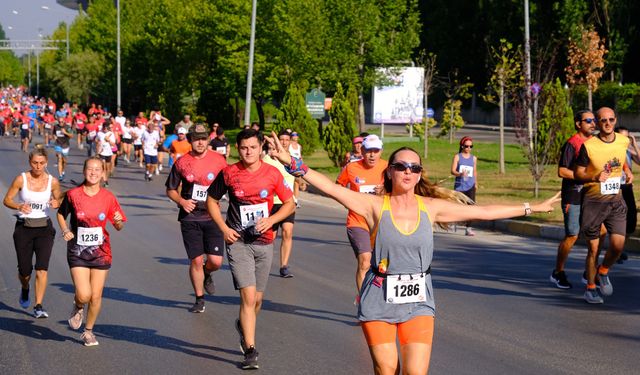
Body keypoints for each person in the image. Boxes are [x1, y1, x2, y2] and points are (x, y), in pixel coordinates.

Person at [265, 133, 560, 375]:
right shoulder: (373, 206)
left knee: (416, 373)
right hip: (379, 296)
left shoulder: (430, 207)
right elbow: (329, 187)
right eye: (402, 166)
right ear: (390, 171)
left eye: (414, 168)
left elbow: (482, 211)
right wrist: (290, 161)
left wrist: (531, 207)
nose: (408, 172)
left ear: (419, 175)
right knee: (386, 367)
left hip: (418, 300)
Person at [206, 129, 295, 369]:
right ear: (238, 148)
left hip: (264, 241)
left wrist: (272, 220)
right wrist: (224, 228)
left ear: (260, 148)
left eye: (253, 147)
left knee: (257, 300)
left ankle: (243, 325)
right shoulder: (229, 173)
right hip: (238, 242)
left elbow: (289, 203)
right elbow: (211, 201)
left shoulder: (273, 173)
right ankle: (251, 350)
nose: (248, 152)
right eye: (244, 148)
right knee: (247, 296)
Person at [57, 157, 127, 346]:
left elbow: (118, 225)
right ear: (84, 171)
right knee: (84, 294)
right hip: (78, 251)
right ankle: (78, 305)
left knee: (96, 296)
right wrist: (65, 230)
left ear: (103, 173)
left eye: (98, 169)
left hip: (101, 252)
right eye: (90, 169)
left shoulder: (108, 197)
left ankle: (88, 332)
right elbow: (61, 214)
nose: (94, 172)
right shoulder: (73, 195)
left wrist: (119, 221)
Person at [165, 124, 227, 313]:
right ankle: (199, 298)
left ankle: (207, 274)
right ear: (191, 140)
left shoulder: (219, 161)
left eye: (203, 138)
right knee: (196, 261)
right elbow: (170, 189)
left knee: (216, 261)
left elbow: (230, 183)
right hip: (190, 218)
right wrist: (182, 202)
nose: (200, 142)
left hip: (212, 216)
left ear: (208, 139)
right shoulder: (182, 162)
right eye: (196, 138)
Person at [575, 107, 632, 304]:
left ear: (615, 120)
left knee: (617, 246)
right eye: (603, 120)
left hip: (616, 200)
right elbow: (578, 173)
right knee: (593, 248)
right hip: (593, 202)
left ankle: (604, 270)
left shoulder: (623, 140)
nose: (607, 123)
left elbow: (619, 156)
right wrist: (594, 176)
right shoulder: (589, 146)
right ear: (597, 123)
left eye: (611, 120)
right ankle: (590, 288)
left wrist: (627, 170)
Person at [3, 148, 62, 318]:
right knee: (25, 271)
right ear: (30, 162)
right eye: (35, 163)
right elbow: (6, 200)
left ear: (46, 163)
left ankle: (38, 305)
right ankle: (25, 287)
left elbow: (60, 200)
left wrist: (56, 202)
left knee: (42, 269)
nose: (38, 166)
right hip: (24, 229)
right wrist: (18, 206)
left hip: (44, 229)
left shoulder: (53, 182)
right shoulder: (21, 179)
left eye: (42, 163)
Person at [336, 134, 387, 294]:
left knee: (382, 265)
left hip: (382, 223)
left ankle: (378, 298)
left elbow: (401, 192)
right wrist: (349, 201)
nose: (372, 155)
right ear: (362, 151)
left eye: (376, 151)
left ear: (381, 151)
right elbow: (338, 187)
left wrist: (386, 191)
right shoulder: (351, 168)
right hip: (358, 222)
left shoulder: (388, 168)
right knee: (365, 261)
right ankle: (363, 301)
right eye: (368, 150)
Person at [550, 110, 595, 288]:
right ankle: (558, 272)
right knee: (572, 235)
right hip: (573, 196)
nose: (593, 124)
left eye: (594, 120)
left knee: (600, 233)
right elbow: (562, 171)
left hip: (592, 196)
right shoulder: (572, 144)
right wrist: (583, 177)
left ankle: (589, 272)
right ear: (578, 124)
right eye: (588, 121)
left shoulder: (595, 143)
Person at [262, 142, 296, 278]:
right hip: (271, 203)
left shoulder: (289, 160)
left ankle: (284, 266)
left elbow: (296, 178)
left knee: (288, 231)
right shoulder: (266, 161)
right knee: (271, 236)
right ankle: (263, 262)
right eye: (272, 147)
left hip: (287, 203)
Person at [615, 126, 639, 264]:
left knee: (631, 220)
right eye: (622, 136)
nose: (625, 140)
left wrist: (634, 144)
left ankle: (618, 249)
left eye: (627, 137)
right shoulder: (612, 150)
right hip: (616, 189)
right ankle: (616, 251)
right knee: (618, 220)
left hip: (627, 188)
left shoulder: (628, 151)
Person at [450, 136, 478, 236]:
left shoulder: (474, 158)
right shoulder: (457, 157)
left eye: (471, 146)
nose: (469, 148)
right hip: (460, 186)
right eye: (466, 146)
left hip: (470, 185)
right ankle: (453, 222)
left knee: (471, 207)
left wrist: (476, 183)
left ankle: (468, 228)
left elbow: (474, 171)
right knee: (458, 206)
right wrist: (460, 174)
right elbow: (452, 171)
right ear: (462, 146)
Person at [96, 123, 116, 187]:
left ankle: (106, 180)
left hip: (109, 153)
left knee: (107, 168)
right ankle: (102, 180)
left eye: (106, 128)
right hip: (102, 152)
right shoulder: (99, 133)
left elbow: (113, 144)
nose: (105, 129)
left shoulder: (111, 134)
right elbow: (96, 140)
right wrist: (98, 146)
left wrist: (109, 140)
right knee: (103, 167)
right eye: (104, 128)